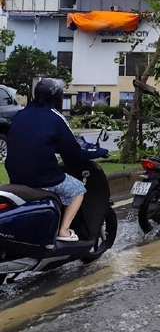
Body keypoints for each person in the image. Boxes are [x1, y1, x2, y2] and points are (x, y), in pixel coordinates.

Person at [4, 78, 108, 242]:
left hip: (16, 177)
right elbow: (74, 152)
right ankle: (64, 231)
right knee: (78, 189)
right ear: (58, 97)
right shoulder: (55, 118)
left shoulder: (20, 115)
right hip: (43, 177)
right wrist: (100, 151)